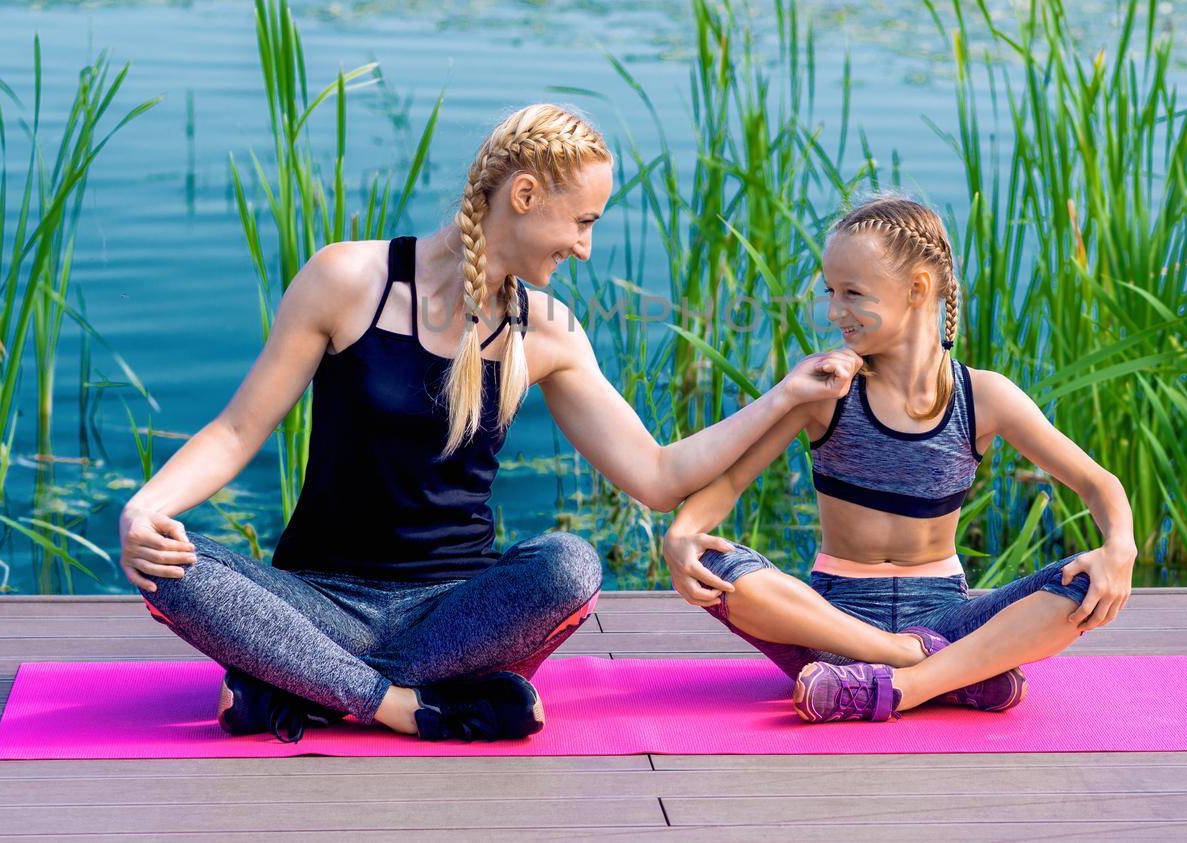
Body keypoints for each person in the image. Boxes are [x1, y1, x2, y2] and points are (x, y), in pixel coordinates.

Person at [121, 103, 862, 742]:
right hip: (317, 598)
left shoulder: (548, 332)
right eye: (582, 221)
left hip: (453, 614)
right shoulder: (348, 280)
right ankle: (404, 706)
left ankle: (301, 683)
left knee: (571, 565)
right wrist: (148, 507)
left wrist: (784, 397)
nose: (585, 246)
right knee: (171, 564)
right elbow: (236, 430)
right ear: (527, 193)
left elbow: (658, 476)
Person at [662, 191, 1138, 723]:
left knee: (1078, 585)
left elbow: (1098, 483)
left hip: (946, 614)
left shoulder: (984, 397)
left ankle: (901, 686)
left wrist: (1119, 548)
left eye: (852, 293)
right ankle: (942, 671)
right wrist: (683, 534)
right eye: (830, 292)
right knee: (717, 565)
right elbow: (729, 484)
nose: (834, 312)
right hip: (829, 621)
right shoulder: (827, 391)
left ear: (917, 288)